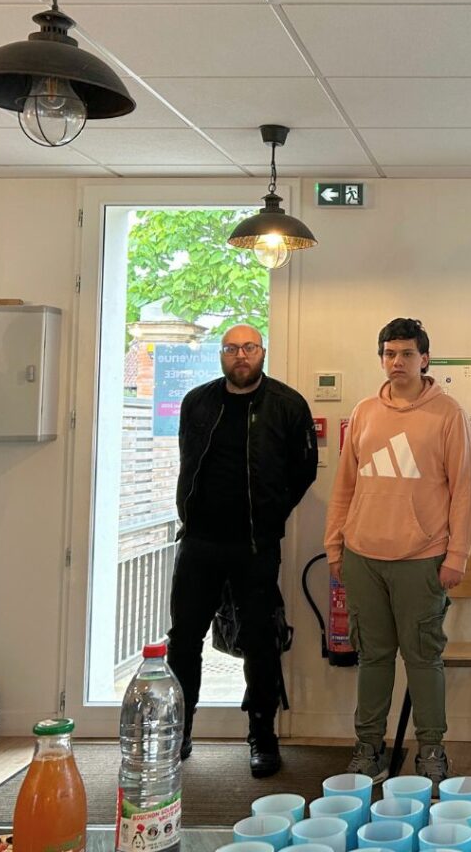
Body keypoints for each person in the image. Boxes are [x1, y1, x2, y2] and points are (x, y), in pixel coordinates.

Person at [325, 318, 471, 786]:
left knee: (423, 659)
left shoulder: (448, 414)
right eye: (390, 354)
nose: (397, 362)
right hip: (362, 556)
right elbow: (344, 485)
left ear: (424, 359)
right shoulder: (365, 412)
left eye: (407, 353)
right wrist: (335, 545)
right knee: (372, 658)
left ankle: (431, 751)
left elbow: (463, 490)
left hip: (421, 558)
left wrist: (457, 555)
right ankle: (368, 748)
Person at [166, 324, 316, 778]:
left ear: (262, 352)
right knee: (184, 640)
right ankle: (180, 731)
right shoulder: (197, 402)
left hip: (255, 545)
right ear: (222, 355)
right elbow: (187, 459)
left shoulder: (288, 404)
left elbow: (304, 470)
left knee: (260, 640)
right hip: (199, 542)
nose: (241, 355)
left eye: (249, 347)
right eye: (231, 348)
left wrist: (271, 514)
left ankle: (262, 736)